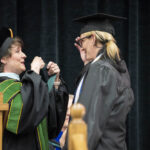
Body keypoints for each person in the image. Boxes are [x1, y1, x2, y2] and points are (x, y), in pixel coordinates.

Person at [63, 13, 134, 150]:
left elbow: (87, 125)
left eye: (82, 41)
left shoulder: (101, 70)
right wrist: (87, 65)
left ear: (93, 38)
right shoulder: (116, 68)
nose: (81, 46)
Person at [0, 27, 69, 150]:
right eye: (18, 51)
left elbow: (50, 124)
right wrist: (34, 72)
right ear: (3, 59)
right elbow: (22, 119)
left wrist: (55, 82)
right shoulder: (3, 89)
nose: (24, 55)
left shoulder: (23, 87)